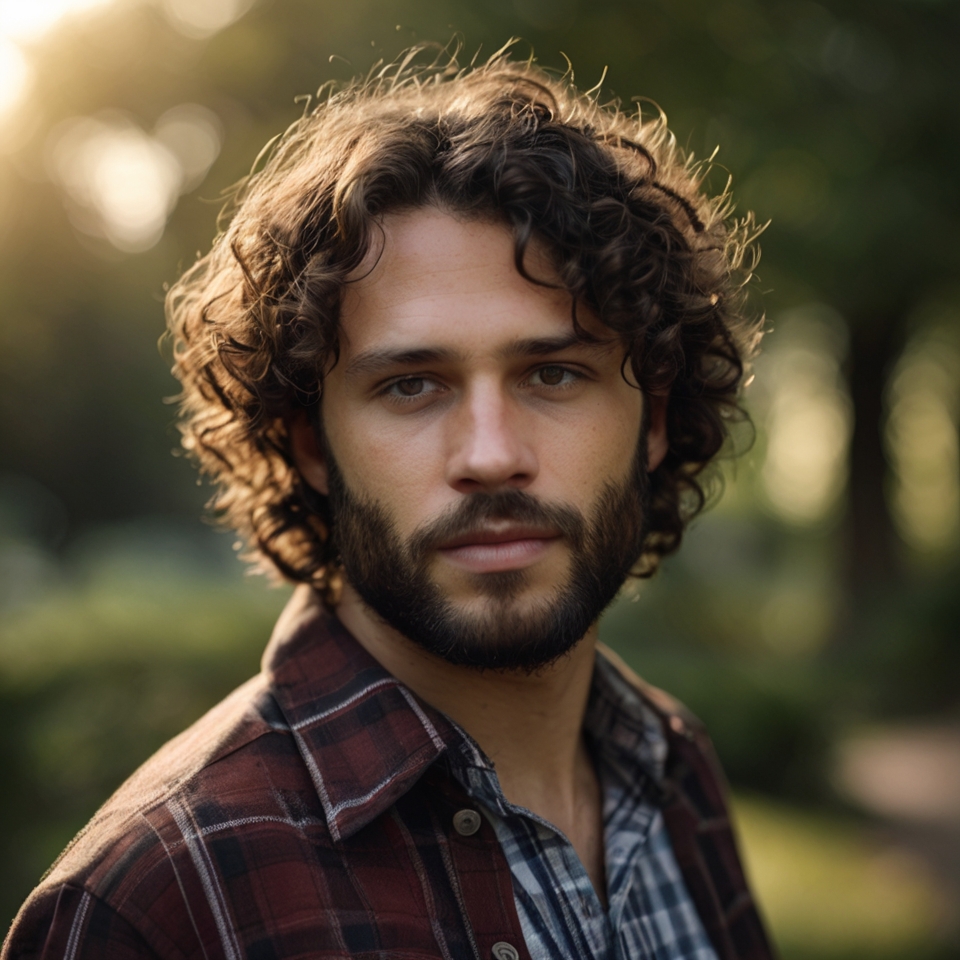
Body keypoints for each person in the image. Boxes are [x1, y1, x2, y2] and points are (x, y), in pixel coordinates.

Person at [4, 49, 773, 960]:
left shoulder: (678, 772)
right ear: (309, 443)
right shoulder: (154, 902)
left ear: (653, 418)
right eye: (413, 386)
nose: (491, 457)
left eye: (555, 373)